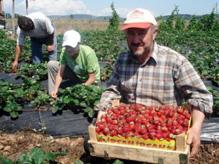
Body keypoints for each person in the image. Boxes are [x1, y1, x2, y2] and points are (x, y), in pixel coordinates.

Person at [96, 8, 213, 158]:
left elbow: (202, 98)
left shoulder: (175, 61)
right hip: (128, 139)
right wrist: (103, 113)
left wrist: (196, 128)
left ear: (155, 33)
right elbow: (112, 91)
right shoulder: (122, 60)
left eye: (142, 33)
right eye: (131, 33)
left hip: (166, 141)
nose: (135, 39)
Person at [48, 29, 100, 98]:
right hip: (77, 75)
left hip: (90, 81)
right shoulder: (65, 52)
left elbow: (92, 78)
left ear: (78, 44)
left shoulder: (88, 53)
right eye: (67, 47)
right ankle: (52, 94)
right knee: (51, 64)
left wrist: (80, 89)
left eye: (72, 47)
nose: (69, 49)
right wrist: (55, 89)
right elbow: (60, 73)